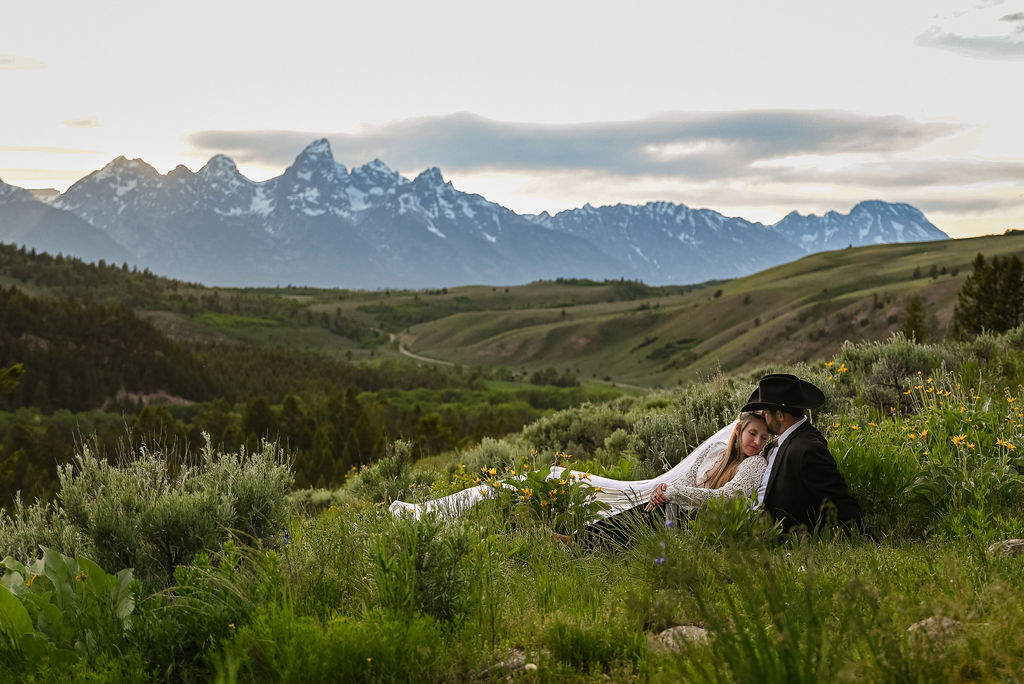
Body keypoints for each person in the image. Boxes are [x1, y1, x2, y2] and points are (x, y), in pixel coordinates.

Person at [742, 373, 866, 534]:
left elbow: (838, 500)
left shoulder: (808, 448)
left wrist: (865, 538)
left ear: (779, 415)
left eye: (766, 411)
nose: (764, 416)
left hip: (785, 540)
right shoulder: (778, 444)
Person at [645, 411, 770, 512]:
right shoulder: (714, 449)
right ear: (738, 429)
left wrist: (675, 492)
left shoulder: (756, 463)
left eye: (764, 438)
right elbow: (688, 479)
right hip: (676, 513)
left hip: (705, 528)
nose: (758, 442)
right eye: (752, 433)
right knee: (632, 517)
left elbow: (727, 497)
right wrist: (664, 489)